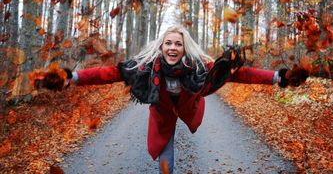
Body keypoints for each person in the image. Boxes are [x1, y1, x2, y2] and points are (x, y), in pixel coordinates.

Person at [37, 25, 308, 173]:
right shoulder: (146, 67)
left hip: (191, 109)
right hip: (162, 113)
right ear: (161, 46)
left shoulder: (200, 66)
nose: (172, 47)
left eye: (178, 43)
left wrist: (278, 77)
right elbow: (108, 73)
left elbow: (240, 74)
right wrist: (71, 77)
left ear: (184, 47)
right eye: (168, 43)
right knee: (165, 158)